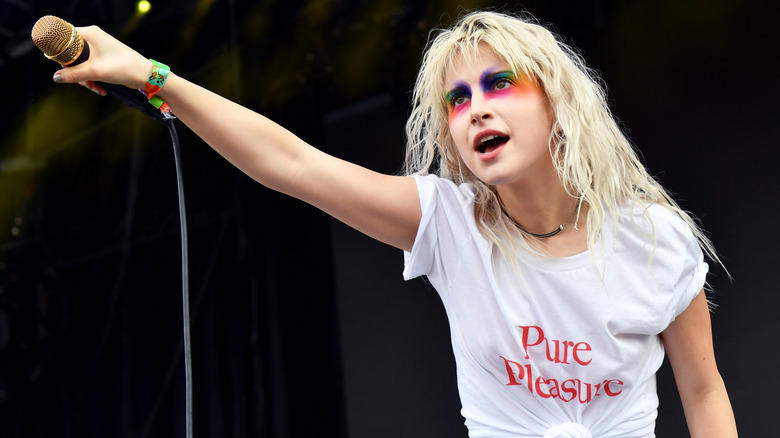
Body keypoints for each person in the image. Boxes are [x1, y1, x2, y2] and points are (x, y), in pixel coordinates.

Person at [52, 10, 737, 438]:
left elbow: (704, 390)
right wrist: (152, 76)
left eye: (500, 84)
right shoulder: (450, 223)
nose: (476, 109)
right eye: (458, 98)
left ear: (557, 103)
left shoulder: (652, 241)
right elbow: (291, 163)